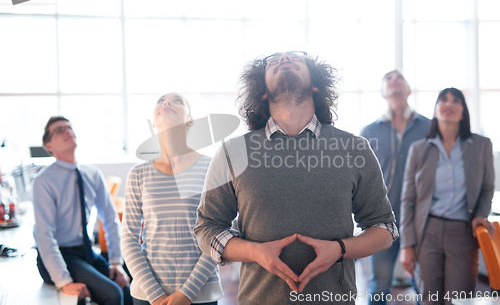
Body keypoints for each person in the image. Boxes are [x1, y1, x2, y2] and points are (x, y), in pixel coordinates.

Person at [194, 51, 398, 305]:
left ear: (315, 85)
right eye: (273, 60)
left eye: (295, 58)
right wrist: (254, 252)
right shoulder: (232, 152)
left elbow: (385, 229)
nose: (283, 59)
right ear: (263, 92)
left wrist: (340, 250)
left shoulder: (355, 148)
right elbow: (206, 228)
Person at [121, 93, 223, 305]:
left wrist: (186, 294)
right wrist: (156, 296)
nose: (166, 102)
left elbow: (218, 235)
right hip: (148, 296)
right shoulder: (138, 174)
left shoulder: (212, 168)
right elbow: (129, 240)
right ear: (154, 120)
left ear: (190, 120)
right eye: (161, 100)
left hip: (200, 294)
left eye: (177, 100)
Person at [400, 88, 495, 305]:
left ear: (463, 113)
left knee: (459, 300)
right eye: (443, 100)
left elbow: (488, 187)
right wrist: (407, 245)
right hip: (427, 232)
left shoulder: (482, 146)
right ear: (435, 111)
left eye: (455, 100)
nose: (448, 104)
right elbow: (408, 200)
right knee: (429, 299)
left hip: (463, 233)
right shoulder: (419, 149)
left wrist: (481, 214)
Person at [33, 116, 132, 305]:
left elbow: (110, 219)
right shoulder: (43, 181)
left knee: (127, 289)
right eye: (59, 130)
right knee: (112, 294)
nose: (67, 131)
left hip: (85, 252)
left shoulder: (91, 173)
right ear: (49, 146)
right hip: (59, 254)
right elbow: (44, 236)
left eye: (68, 127)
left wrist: (116, 261)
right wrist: (64, 281)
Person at [360, 70, 430, 304]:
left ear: (409, 89)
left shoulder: (429, 128)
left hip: (420, 220)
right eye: (388, 79)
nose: (394, 81)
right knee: (379, 285)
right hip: (381, 221)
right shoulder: (369, 133)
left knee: (424, 285)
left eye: (400, 78)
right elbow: (360, 178)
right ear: (382, 92)